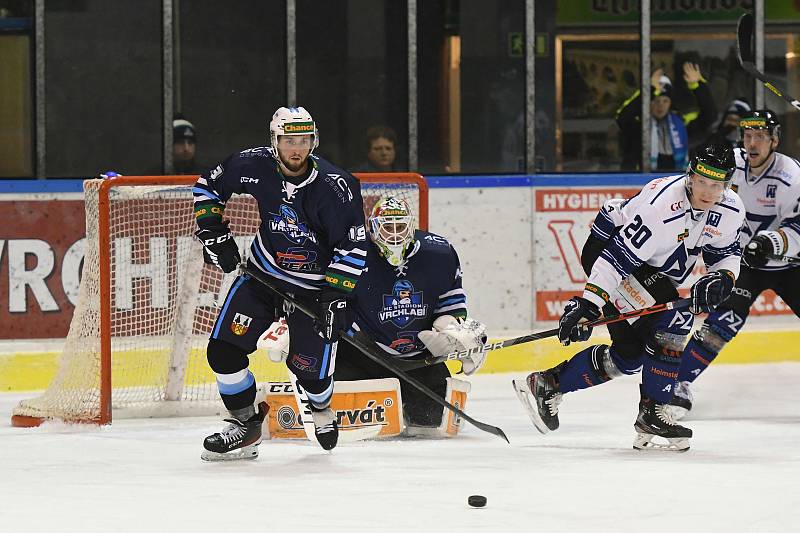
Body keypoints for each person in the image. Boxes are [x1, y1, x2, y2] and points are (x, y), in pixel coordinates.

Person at [513, 143, 745, 452]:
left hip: (650, 271)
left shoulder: (729, 209)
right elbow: (616, 261)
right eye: (701, 181)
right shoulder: (660, 209)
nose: (706, 191)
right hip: (610, 253)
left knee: (631, 356)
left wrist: (723, 277)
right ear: (690, 176)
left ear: (726, 185)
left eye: (716, 185)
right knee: (677, 314)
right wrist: (589, 304)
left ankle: (550, 383)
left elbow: (726, 254)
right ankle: (653, 410)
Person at [193, 106, 368, 460]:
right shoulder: (253, 165)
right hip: (264, 274)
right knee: (223, 353)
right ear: (274, 141)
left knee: (311, 375)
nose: (296, 148)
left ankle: (320, 407)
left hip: (314, 289)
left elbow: (352, 244)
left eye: (303, 140)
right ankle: (244, 424)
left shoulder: (338, 187)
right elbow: (208, 185)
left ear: (313, 141)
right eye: (288, 140)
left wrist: (336, 296)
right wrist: (214, 234)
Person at [669, 110, 800, 418]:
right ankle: (679, 382)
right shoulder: (731, 165)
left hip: (791, 265)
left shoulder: (792, 176)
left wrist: (770, 242)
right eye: (747, 136)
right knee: (721, 324)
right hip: (744, 265)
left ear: (775, 141)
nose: (752, 143)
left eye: (760, 137)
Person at [333, 196, 486, 433]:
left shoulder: (439, 254)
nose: (394, 234)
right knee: (354, 426)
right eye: (387, 227)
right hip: (363, 355)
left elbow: (450, 305)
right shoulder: (354, 253)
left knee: (431, 424)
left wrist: (449, 334)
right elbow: (330, 303)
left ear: (411, 226)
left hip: (419, 359)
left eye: (400, 226)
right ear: (373, 227)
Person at [616, 63, 716, 171]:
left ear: (670, 103)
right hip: (641, 181)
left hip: (675, 180)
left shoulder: (682, 122)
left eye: (665, 101)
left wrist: (698, 86)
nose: (660, 105)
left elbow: (709, 116)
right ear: (648, 102)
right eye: (656, 101)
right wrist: (648, 90)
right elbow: (622, 117)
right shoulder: (639, 123)